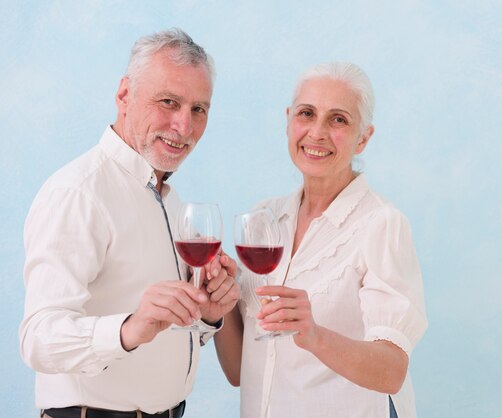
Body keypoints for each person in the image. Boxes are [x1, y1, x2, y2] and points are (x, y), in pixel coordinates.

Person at [20, 28, 239, 418]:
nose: (184, 127)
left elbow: (173, 332)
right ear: (124, 95)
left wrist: (207, 313)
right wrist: (128, 329)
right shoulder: (78, 193)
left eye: (198, 109)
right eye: (168, 102)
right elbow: (38, 340)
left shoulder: (172, 203)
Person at [214, 62, 428, 418]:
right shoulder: (265, 217)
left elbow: (392, 372)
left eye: (338, 119)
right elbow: (240, 371)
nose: (317, 132)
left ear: (364, 136)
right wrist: (220, 304)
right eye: (307, 113)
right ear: (288, 120)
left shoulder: (382, 225)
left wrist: (314, 335)